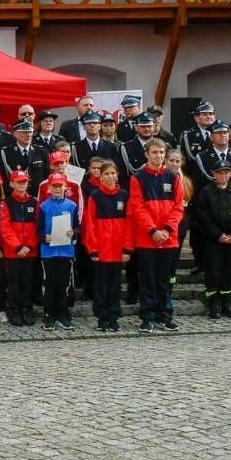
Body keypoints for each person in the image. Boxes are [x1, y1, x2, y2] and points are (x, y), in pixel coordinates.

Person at [130, 139, 183, 332]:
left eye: (161, 152)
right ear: (147, 154)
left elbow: (178, 207)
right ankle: (148, 316)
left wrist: (167, 230)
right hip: (147, 239)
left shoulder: (173, 177)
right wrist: (153, 230)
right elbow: (138, 208)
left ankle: (165, 315)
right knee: (147, 279)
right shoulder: (138, 178)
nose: (159, 155)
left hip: (168, 239)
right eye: (154, 152)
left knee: (165, 279)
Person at [192, 158, 231, 319]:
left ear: (230, 174)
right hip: (212, 240)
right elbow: (202, 217)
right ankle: (214, 304)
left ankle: (228, 303)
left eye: (226, 172)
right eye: (219, 173)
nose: (222, 175)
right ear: (213, 174)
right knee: (213, 271)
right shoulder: (205, 193)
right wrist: (218, 234)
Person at [81, 160, 130, 332]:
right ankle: (102, 317)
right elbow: (90, 224)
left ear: (117, 175)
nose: (110, 176)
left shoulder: (124, 195)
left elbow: (129, 224)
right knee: (101, 286)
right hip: (101, 250)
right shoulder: (95, 196)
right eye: (106, 174)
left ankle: (114, 316)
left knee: (115, 286)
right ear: (100, 177)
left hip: (117, 250)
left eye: (113, 173)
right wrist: (92, 249)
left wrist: (127, 248)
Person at [0, 169, 40, 327]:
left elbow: (37, 227)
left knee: (28, 282)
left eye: (25, 182)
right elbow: (5, 228)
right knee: (14, 282)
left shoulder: (34, 202)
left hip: (30, 251)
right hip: (13, 252)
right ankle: (14, 310)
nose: (22, 185)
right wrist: (17, 247)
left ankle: (27, 309)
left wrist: (28, 246)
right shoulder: (6, 203)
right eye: (19, 182)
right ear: (12, 183)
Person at [37, 169, 80, 330]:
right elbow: (39, 228)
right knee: (49, 284)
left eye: (59, 185)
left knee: (64, 285)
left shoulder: (72, 205)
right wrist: (44, 237)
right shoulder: (43, 206)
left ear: (65, 187)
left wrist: (73, 233)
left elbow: (77, 227)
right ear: (49, 187)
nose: (57, 188)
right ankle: (49, 315)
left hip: (67, 251)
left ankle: (63, 313)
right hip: (48, 252)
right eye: (54, 186)